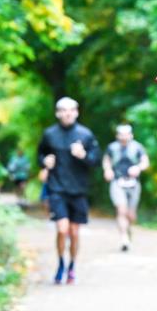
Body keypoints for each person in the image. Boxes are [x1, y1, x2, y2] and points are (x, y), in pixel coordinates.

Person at [36, 97, 101, 284]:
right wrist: (44, 162)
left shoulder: (85, 134)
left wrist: (83, 155)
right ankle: (60, 263)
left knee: (74, 232)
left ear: (77, 112)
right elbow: (40, 155)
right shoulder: (49, 134)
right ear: (57, 113)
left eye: (71, 110)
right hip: (57, 188)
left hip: (79, 189)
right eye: (63, 110)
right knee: (62, 229)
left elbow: (96, 160)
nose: (67, 113)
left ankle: (72, 265)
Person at [103, 124, 150, 251]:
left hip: (133, 183)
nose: (124, 137)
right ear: (117, 136)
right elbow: (106, 160)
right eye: (121, 134)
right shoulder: (112, 147)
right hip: (117, 182)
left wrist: (138, 168)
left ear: (131, 135)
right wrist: (107, 170)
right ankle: (124, 238)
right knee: (121, 210)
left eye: (126, 134)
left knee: (131, 215)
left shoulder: (137, 147)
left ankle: (128, 230)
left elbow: (145, 162)